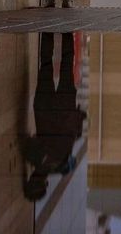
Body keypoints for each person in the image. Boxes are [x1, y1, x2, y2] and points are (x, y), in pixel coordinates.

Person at [24, 33, 86, 201]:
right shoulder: (33, 158)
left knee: (67, 63)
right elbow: (29, 140)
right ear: (30, 179)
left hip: (65, 109)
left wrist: (78, 117)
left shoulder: (63, 167)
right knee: (46, 63)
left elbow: (73, 136)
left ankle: (66, 29)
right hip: (44, 108)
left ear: (45, 184)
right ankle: (48, 28)